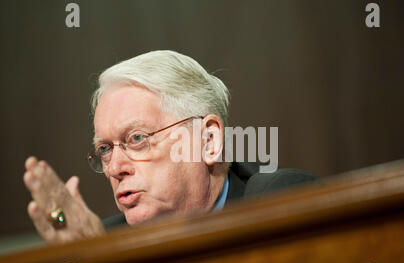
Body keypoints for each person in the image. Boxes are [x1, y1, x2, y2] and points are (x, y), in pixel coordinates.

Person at [23, 50, 318, 245]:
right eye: (104, 149)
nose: (114, 168)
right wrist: (88, 260)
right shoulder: (106, 242)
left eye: (137, 139)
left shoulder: (278, 201)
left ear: (208, 141)